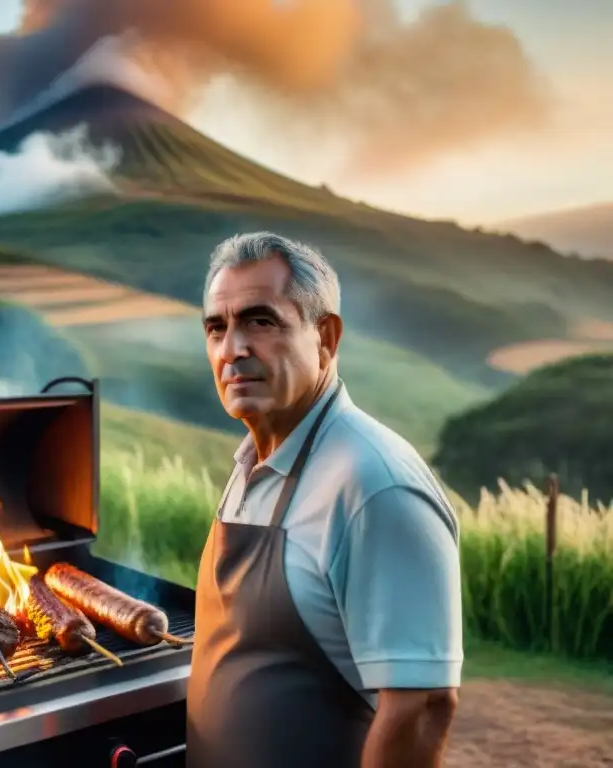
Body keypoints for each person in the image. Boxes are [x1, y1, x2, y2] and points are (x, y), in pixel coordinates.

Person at [186, 232, 463, 768]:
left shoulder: (373, 484)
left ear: (326, 337)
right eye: (217, 327)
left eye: (260, 321)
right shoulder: (255, 460)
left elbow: (423, 709)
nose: (232, 350)